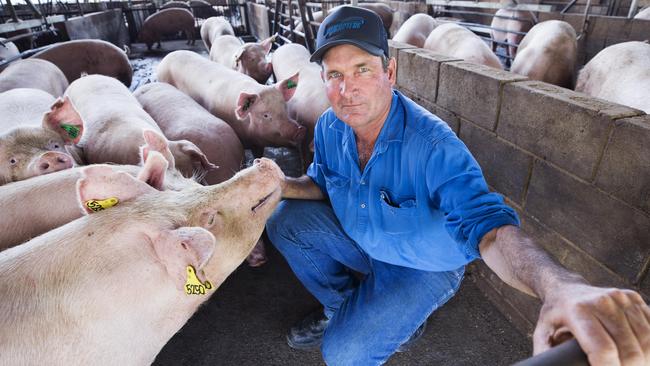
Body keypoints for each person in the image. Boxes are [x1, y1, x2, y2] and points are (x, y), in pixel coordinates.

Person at [266, 6, 650, 366]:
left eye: (362, 70)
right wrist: (276, 184)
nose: (346, 90)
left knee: (342, 354)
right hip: (365, 238)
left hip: (422, 267)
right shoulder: (332, 127)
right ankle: (346, 307)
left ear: (390, 73)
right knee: (283, 218)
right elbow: (319, 184)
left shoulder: (435, 146)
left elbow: (492, 231)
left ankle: (380, 316)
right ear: (323, 79)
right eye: (335, 75)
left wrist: (560, 286)